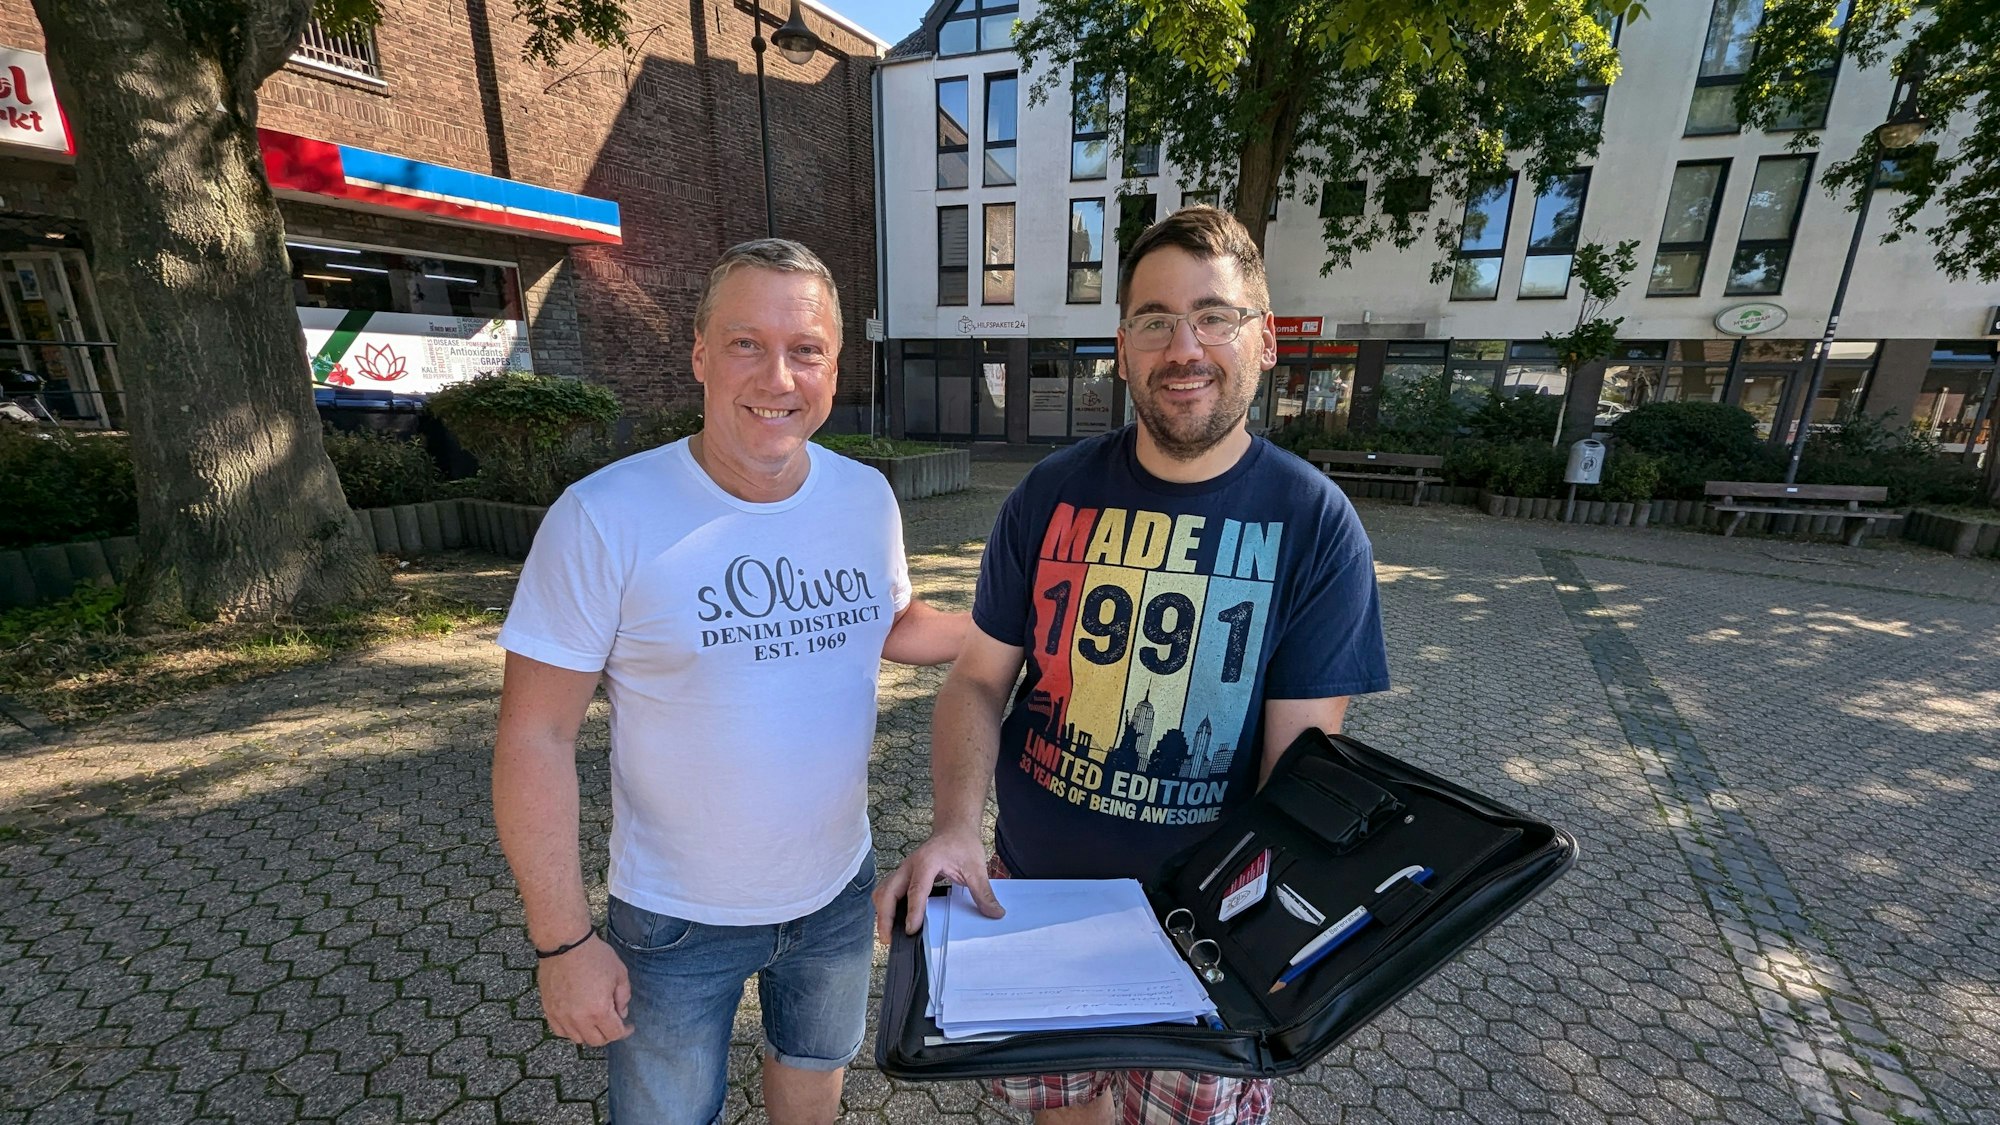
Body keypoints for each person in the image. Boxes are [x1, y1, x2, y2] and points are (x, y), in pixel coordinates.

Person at [873, 206, 1391, 1125]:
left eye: (1213, 316)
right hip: (1032, 905)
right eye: (1154, 319)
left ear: (1263, 339)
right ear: (1122, 346)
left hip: (1204, 941)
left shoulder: (1315, 525)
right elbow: (979, 679)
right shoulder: (1049, 493)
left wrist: (1266, 941)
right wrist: (955, 827)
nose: (1183, 346)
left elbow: (1297, 774)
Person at [493, 238, 966, 1125]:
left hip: (835, 891)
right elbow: (535, 735)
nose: (777, 374)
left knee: (813, 1089)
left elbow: (891, 623)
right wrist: (562, 940)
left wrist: (1020, 630)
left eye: (806, 349)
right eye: (747, 343)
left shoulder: (866, 497)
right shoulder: (604, 517)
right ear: (701, 354)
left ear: (834, 365)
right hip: (675, 920)